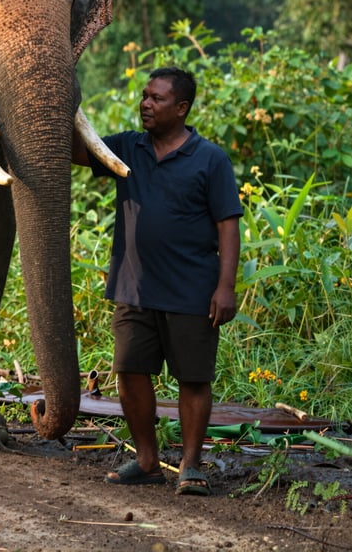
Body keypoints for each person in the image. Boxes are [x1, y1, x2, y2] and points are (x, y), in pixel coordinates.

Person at [72, 66, 242, 496]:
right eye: (145, 95)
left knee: (193, 378)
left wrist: (225, 287)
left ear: (181, 108)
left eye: (157, 98)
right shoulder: (129, 147)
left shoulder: (210, 159)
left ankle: (190, 464)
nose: (146, 103)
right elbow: (77, 150)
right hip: (133, 288)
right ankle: (147, 460)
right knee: (129, 372)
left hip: (192, 290)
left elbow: (228, 226)